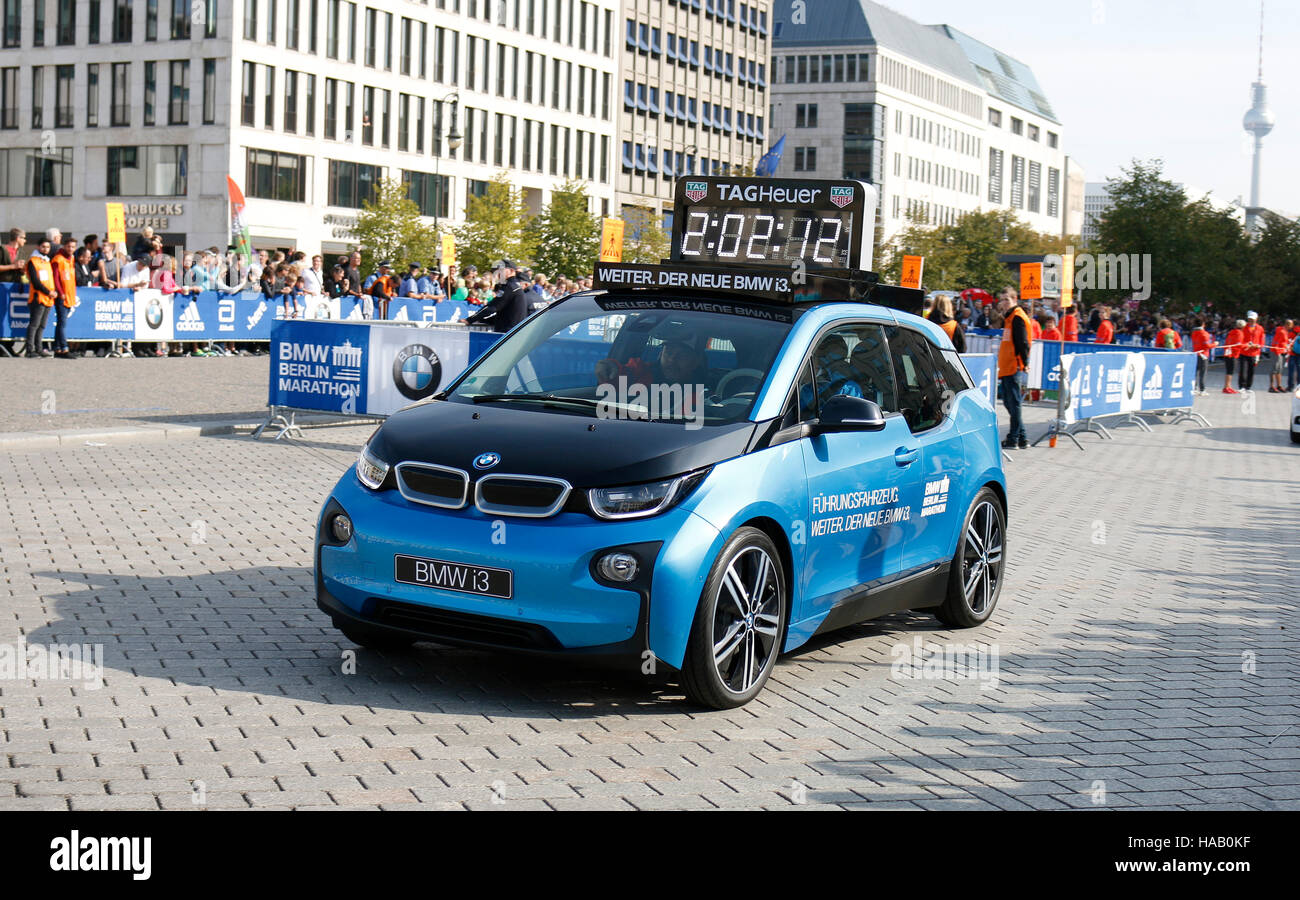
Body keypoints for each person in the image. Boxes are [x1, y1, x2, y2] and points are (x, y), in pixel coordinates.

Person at [996, 290, 1033, 449]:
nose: (1004, 303)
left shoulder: (1017, 317)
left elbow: (1022, 342)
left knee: (1014, 403)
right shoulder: (1009, 317)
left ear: (1014, 300)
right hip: (1007, 366)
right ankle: (1022, 437)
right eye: (1002, 300)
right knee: (1009, 402)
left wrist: (1025, 362)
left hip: (1013, 365)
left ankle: (1013, 438)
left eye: (1007, 300)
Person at [466, 259, 529, 333]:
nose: (497, 273)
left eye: (501, 270)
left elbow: (493, 307)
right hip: (513, 331)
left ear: (511, 271)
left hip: (507, 332)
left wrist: (470, 319)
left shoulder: (508, 287)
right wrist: (482, 320)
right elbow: (506, 312)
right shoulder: (515, 286)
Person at [23, 237, 56, 357]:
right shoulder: (33, 261)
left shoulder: (47, 262)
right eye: (43, 247)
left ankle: (39, 348)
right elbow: (36, 282)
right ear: (38, 247)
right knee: (34, 324)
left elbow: (49, 280)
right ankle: (30, 349)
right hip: (38, 296)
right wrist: (48, 292)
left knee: (42, 325)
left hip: (48, 297)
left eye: (48, 247)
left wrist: (53, 291)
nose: (46, 249)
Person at [51, 235, 80, 358]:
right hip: (62, 296)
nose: (70, 248)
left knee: (61, 322)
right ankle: (64, 347)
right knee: (62, 322)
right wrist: (60, 292)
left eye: (73, 246)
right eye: (68, 246)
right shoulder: (58, 259)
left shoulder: (71, 259)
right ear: (64, 246)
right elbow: (56, 277)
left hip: (69, 295)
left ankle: (57, 348)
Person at [1239, 311, 1264, 393]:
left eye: (1252, 319)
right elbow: (1240, 339)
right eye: (1249, 319)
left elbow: (1261, 340)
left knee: (1251, 370)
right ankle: (1241, 386)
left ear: (1256, 319)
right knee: (1243, 369)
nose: (1251, 321)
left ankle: (1248, 386)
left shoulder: (1260, 328)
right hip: (1244, 351)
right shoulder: (1244, 327)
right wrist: (1246, 345)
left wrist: (1258, 346)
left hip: (1254, 352)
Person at [1190, 318, 1215, 395]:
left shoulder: (1193, 333)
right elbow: (1207, 346)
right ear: (1203, 324)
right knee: (1202, 372)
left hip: (1196, 353)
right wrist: (1215, 344)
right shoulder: (1204, 333)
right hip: (1203, 354)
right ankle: (1202, 389)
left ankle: (1194, 388)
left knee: (1195, 372)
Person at [1268, 318, 1291, 393]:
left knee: (1279, 369)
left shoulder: (1285, 331)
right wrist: (1277, 352)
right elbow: (1276, 342)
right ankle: (1271, 386)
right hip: (1276, 352)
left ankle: (1279, 385)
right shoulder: (1281, 331)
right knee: (1274, 369)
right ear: (1287, 324)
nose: (1291, 327)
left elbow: (1283, 342)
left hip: (1281, 352)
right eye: (1291, 325)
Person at [1222, 318, 1244, 394]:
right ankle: (1227, 386)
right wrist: (1247, 345)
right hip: (1233, 354)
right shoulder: (1240, 333)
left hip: (1227, 352)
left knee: (1229, 370)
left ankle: (1228, 386)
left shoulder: (1231, 332)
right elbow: (1239, 344)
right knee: (1230, 371)